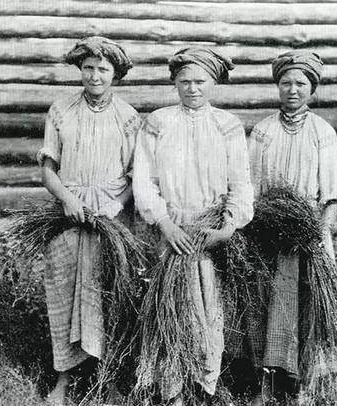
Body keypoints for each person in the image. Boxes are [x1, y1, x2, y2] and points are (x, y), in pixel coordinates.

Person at [133, 47, 254, 405]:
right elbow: (144, 180)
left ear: (213, 83)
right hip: (170, 230)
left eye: (200, 81)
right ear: (175, 82)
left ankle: (204, 386)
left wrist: (228, 227)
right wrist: (164, 223)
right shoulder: (158, 122)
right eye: (184, 81)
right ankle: (172, 390)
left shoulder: (227, 125)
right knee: (171, 309)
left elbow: (241, 183)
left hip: (209, 231)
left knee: (208, 309)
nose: (192, 88)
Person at [37, 36, 140, 405]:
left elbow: (137, 175)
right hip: (68, 216)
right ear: (80, 70)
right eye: (88, 68)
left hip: (112, 219)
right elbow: (48, 169)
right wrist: (67, 199)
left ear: (116, 74)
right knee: (64, 292)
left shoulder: (128, 117)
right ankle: (63, 380)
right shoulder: (61, 110)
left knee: (108, 294)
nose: (95, 76)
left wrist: (115, 206)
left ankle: (108, 380)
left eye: (103, 70)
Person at [246, 50, 337, 405]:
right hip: (268, 234)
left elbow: (333, 194)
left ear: (312, 89)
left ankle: (299, 384)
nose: (293, 90)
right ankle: (265, 384)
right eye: (286, 83)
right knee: (264, 304)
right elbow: (250, 187)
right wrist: (260, 224)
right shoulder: (263, 131)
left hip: (308, 237)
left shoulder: (322, 132)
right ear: (278, 86)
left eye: (300, 84)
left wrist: (317, 234)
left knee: (305, 307)